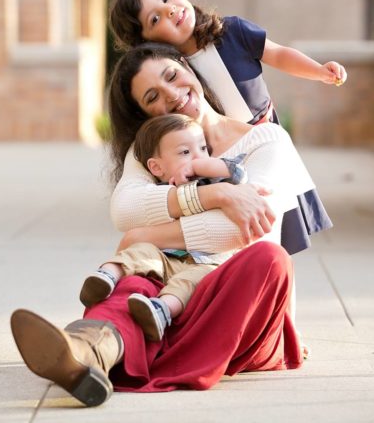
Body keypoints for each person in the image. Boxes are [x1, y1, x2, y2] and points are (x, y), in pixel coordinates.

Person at [10, 43, 313, 407]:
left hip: (238, 309)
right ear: (145, 113)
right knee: (136, 281)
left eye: (172, 75)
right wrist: (216, 195)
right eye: (152, 96)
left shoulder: (266, 140)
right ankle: (87, 351)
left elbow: (242, 231)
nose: (170, 94)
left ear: (187, 66)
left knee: (270, 259)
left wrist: (145, 234)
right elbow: (125, 211)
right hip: (165, 303)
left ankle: (123, 356)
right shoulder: (155, 147)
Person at [79, 114, 248, 342]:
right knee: (140, 253)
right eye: (185, 152)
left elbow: (238, 173)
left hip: (205, 262)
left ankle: (161, 310)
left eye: (203, 148)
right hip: (164, 257)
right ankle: (106, 276)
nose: (198, 157)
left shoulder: (216, 179)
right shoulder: (158, 191)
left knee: (190, 283)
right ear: (157, 167)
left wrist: (202, 166)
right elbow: (131, 215)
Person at [108, 0, 347, 126]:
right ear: (144, 41)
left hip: (267, 128)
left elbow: (278, 54)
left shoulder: (232, 31)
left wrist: (318, 71)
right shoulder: (173, 74)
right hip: (224, 152)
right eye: (155, 19)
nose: (168, 10)